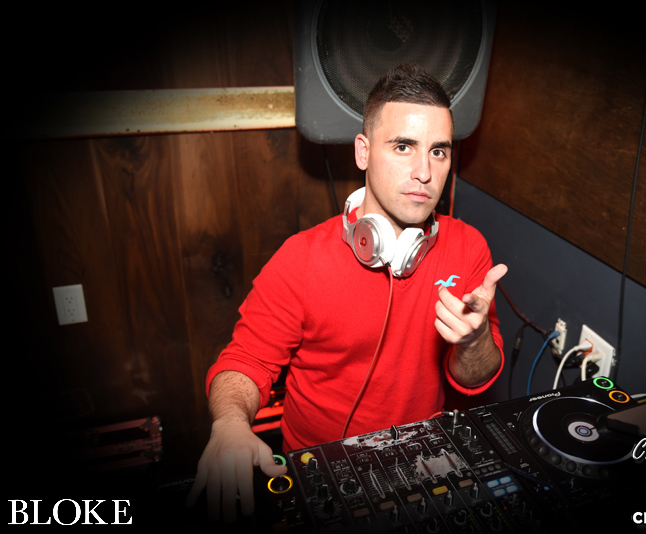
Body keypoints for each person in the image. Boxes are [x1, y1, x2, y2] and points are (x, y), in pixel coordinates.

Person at [186, 63, 507, 522]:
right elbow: (244, 363)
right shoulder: (300, 260)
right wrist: (231, 424)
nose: (424, 172)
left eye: (438, 151)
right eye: (403, 146)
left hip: (423, 464)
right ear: (363, 151)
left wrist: (474, 342)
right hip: (322, 475)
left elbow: (475, 379)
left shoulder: (468, 247)